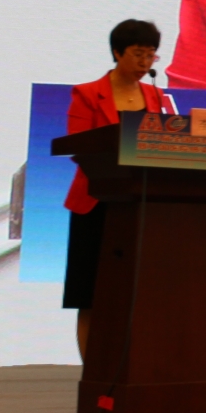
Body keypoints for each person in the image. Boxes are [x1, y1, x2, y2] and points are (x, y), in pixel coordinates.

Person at [63, 19, 170, 360]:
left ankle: (131, 369)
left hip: (139, 206)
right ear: (117, 52)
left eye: (151, 55)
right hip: (95, 205)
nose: (145, 62)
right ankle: (92, 372)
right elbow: (79, 148)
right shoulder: (86, 94)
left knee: (134, 294)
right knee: (91, 295)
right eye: (138, 54)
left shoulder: (156, 96)